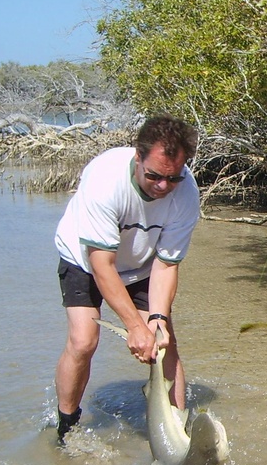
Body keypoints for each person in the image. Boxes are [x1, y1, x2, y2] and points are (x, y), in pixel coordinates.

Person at [53, 115, 200, 442]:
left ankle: (177, 434)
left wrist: (156, 320)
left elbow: (166, 264)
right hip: (85, 259)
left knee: (165, 344)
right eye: (154, 176)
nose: (163, 187)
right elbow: (101, 265)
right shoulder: (106, 180)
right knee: (84, 340)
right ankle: (67, 428)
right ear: (138, 156)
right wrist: (134, 326)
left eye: (173, 178)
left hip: (142, 264)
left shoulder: (187, 193)